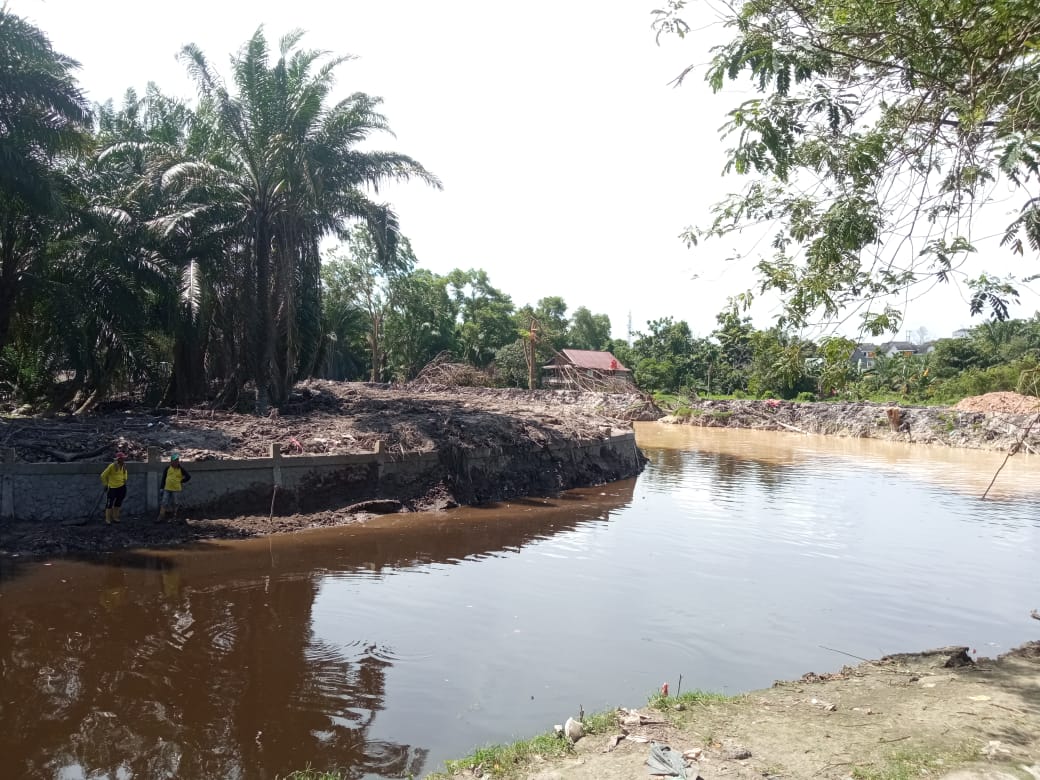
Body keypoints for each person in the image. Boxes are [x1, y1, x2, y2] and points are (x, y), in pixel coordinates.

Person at [157, 452, 191, 522]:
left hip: (176, 489)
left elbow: (188, 477)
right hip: (167, 488)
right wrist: (161, 488)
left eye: (177, 460)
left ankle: (174, 516)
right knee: (164, 502)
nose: (175, 462)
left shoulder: (181, 469)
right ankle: (161, 516)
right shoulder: (167, 468)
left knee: (175, 503)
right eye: (174, 460)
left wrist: (181, 481)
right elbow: (164, 478)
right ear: (171, 461)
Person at [99, 452, 129, 524]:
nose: (123, 459)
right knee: (110, 503)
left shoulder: (124, 465)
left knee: (118, 502)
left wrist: (125, 479)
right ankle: (107, 519)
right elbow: (103, 475)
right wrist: (105, 484)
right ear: (118, 459)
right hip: (112, 487)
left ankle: (115, 517)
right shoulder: (112, 466)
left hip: (122, 487)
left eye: (123, 458)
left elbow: (125, 473)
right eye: (121, 458)